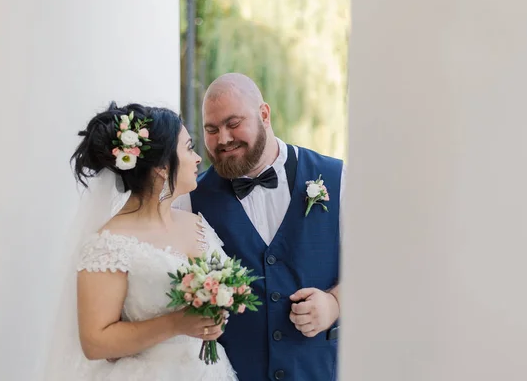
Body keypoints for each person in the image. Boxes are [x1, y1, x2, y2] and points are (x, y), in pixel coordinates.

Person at [41, 102, 239, 380]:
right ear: (161, 166)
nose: (197, 159)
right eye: (189, 148)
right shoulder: (109, 243)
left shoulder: (196, 223)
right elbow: (95, 342)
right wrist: (177, 324)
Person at [172, 73, 344, 381]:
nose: (223, 139)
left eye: (233, 123)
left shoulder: (338, 178)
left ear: (264, 114)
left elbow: (377, 268)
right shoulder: (189, 201)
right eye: (212, 129)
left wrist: (334, 302)